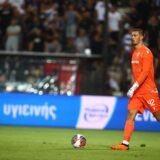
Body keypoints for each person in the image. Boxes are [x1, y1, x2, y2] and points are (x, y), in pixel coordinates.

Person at [111, 28, 160, 150]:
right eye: (132, 35)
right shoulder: (134, 53)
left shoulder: (146, 52)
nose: (132, 37)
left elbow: (144, 73)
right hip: (138, 92)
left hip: (148, 91)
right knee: (131, 113)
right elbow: (137, 74)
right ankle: (125, 144)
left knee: (157, 116)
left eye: (135, 35)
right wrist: (135, 88)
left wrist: (133, 87)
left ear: (142, 37)